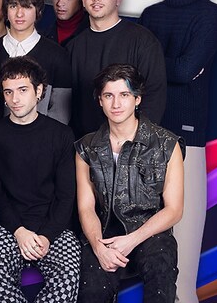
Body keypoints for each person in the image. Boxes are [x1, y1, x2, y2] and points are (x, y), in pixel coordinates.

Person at [138, 0, 217, 303]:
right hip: (146, 133)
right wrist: (165, 68)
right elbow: (147, 72)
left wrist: (151, 67)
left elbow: (187, 70)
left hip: (187, 134)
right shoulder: (150, 16)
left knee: (184, 256)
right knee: (151, 247)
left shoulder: (210, 15)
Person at [76, 64, 184, 303]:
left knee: (161, 276)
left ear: (137, 99)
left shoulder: (167, 143)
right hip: (104, 233)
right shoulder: (86, 147)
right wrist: (98, 247)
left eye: (124, 95)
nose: (116, 104)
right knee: (91, 290)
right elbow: (86, 207)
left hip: (151, 232)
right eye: (108, 96)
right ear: (100, 101)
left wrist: (132, 239)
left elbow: (174, 209)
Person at [0, 56, 80, 302]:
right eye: (8, 92)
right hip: (9, 227)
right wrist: (19, 231)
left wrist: (47, 235)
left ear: (38, 91)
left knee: (68, 274)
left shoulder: (61, 135)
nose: (14, 99)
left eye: (22, 90)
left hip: (53, 227)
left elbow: (66, 196)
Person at [66, 0, 167, 138]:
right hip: (85, 145)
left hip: (131, 143)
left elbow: (154, 96)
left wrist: (138, 141)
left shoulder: (142, 40)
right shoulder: (73, 47)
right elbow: (69, 103)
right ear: (83, 0)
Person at [0, 0, 72, 125]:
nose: (19, 14)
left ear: (38, 11)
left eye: (27, 6)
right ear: (6, 10)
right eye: (13, 6)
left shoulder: (57, 55)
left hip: (41, 138)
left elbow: (60, 115)